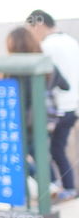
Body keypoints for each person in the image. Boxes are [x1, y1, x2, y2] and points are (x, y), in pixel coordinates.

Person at [5, 27, 69, 193]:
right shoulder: (47, 64)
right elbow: (65, 86)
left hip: (23, 120)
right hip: (47, 118)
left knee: (17, 154)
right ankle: (52, 186)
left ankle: (47, 186)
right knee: (41, 153)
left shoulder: (13, 68)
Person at [25, 10, 79, 201]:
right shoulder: (73, 42)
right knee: (56, 150)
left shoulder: (46, 47)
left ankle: (57, 187)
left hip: (53, 110)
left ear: (38, 24)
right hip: (73, 107)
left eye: (31, 29)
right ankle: (64, 187)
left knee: (40, 149)